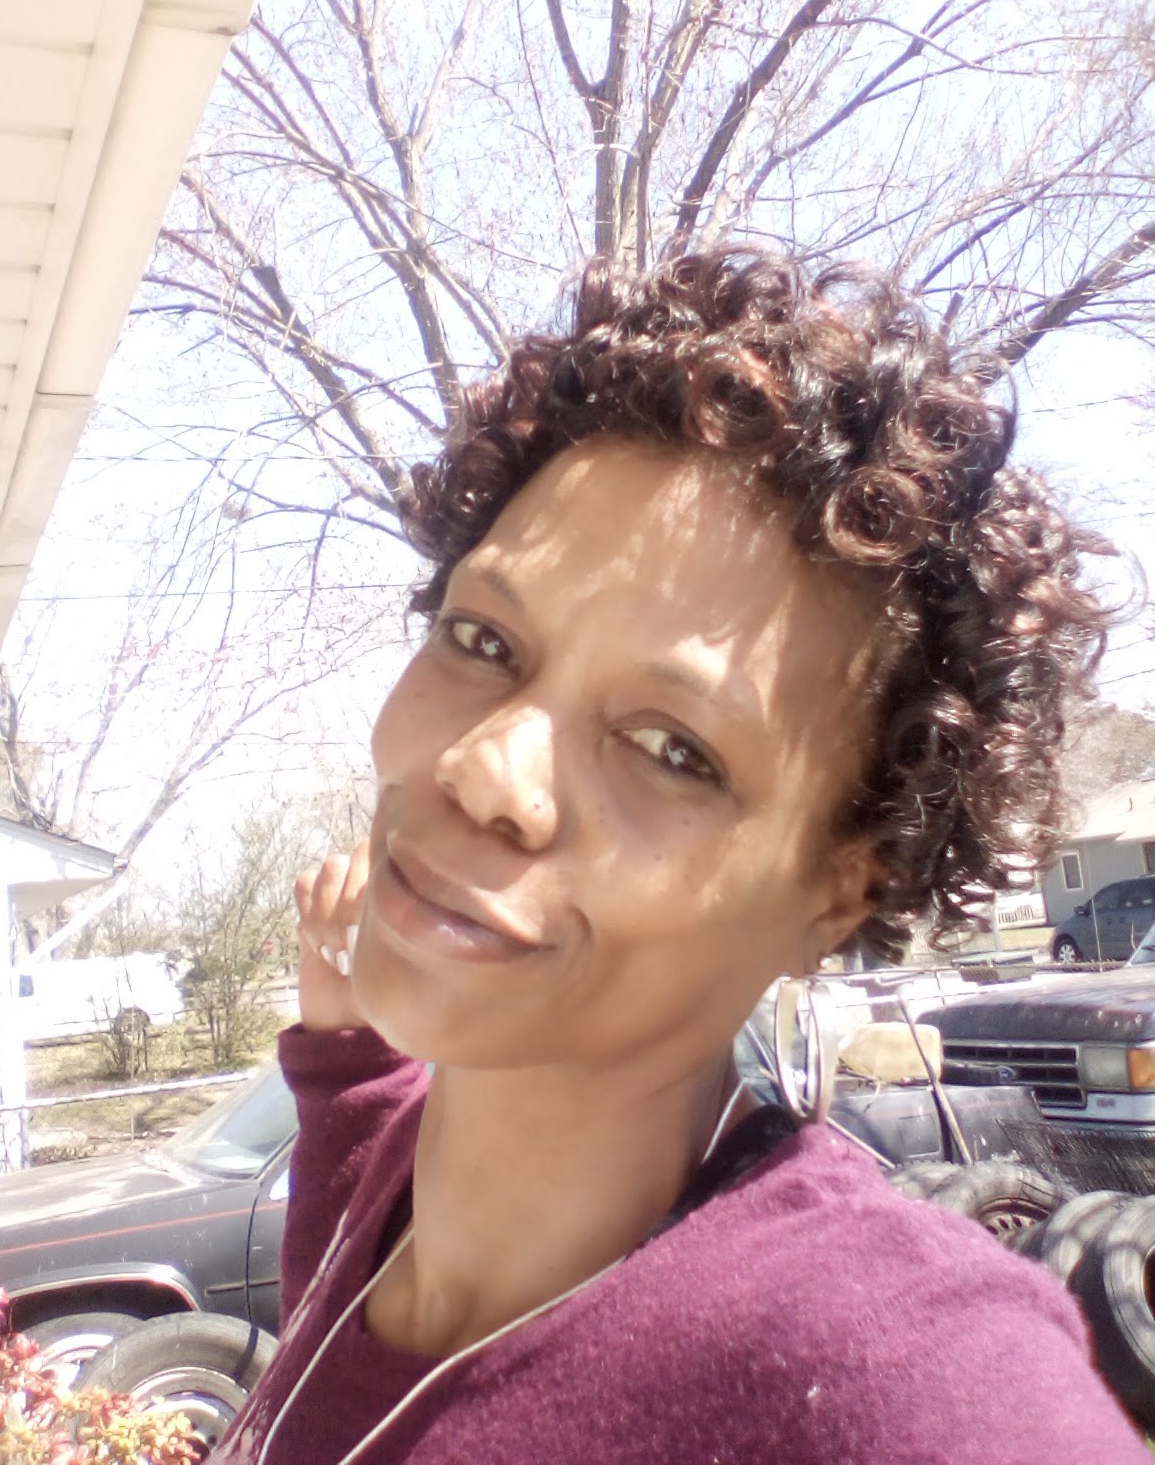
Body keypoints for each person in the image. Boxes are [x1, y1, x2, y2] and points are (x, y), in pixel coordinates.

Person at [210, 251, 1147, 1464]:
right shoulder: (379, 1202)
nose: (485, 769)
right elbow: (360, 1113)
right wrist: (338, 1038)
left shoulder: (895, 1377)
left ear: (841, 887)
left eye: (671, 749)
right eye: (483, 638)